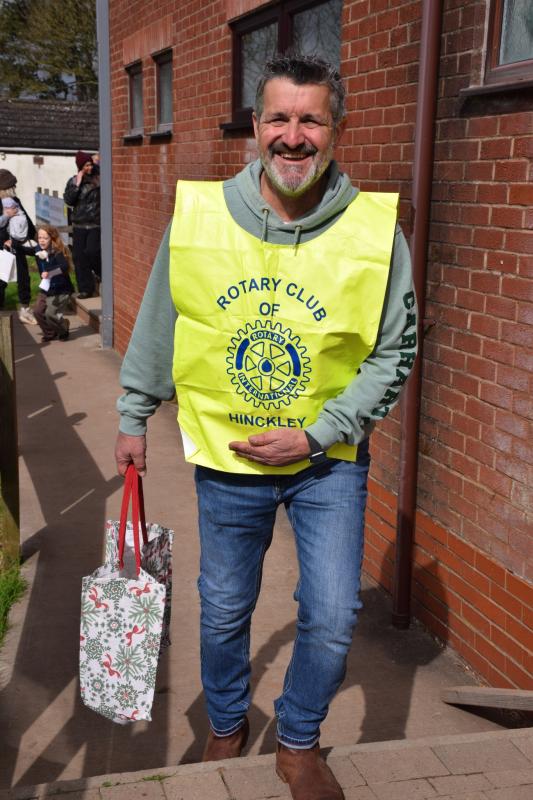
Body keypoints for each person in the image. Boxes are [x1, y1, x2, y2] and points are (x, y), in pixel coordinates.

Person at [115, 55, 417, 800]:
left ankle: (298, 739)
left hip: (329, 462)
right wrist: (132, 414)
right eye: (278, 117)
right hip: (228, 459)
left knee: (333, 613)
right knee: (222, 609)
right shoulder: (200, 218)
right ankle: (227, 720)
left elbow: (395, 350)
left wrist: (317, 433)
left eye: (310, 119)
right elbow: (160, 319)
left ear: (335, 130)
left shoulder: (375, 232)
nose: (293, 135)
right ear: (255, 126)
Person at [23, 225, 74, 342]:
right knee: (37, 312)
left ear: (52, 238)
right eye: (40, 237)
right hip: (46, 288)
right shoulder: (38, 249)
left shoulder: (57, 252)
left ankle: (63, 328)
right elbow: (26, 250)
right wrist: (13, 244)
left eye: (45, 238)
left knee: (50, 314)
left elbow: (64, 266)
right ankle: (50, 333)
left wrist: (50, 272)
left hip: (61, 289)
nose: (41, 240)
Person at [63, 150, 101, 299]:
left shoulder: (99, 178)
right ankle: (85, 289)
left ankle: (100, 273)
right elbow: (69, 200)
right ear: (80, 167)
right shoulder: (73, 181)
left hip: (95, 224)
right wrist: (77, 185)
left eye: (90, 164)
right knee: (79, 257)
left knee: (92, 251)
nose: (89, 168)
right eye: (86, 165)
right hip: (79, 224)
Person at [0, 197, 36, 324]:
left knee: (22, 277)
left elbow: (28, 225)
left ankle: (25, 309)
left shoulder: (15, 202)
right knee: (2, 278)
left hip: (16, 246)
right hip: (4, 246)